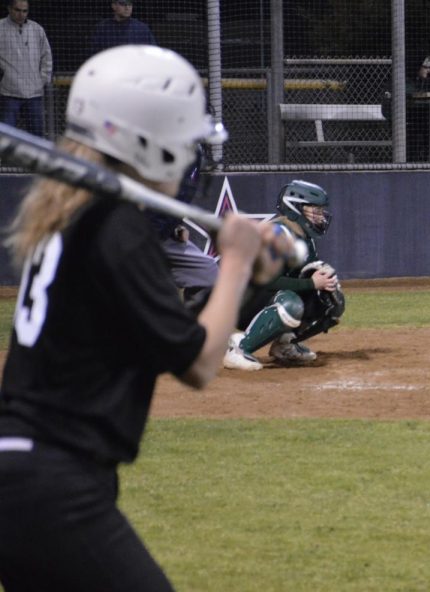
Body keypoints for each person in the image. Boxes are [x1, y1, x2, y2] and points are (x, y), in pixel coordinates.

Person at [0, 45, 292, 591]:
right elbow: (201, 364)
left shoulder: (75, 218)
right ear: (146, 142)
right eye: (183, 139)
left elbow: (154, 339)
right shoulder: (118, 230)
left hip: (30, 474)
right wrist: (233, 258)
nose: (189, 156)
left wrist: (244, 269)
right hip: (52, 482)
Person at [224, 179, 345, 371]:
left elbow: (302, 277)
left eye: (321, 211)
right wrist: (312, 284)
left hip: (265, 297)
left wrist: (320, 279)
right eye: (315, 210)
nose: (320, 217)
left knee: (329, 300)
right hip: (242, 302)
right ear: (295, 208)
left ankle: (284, 344)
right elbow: (268, 281)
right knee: (290, 303)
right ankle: (239, 349)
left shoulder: (305, 238)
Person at [146, 145, 220, 316]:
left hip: (165, 238)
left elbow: (178, 198)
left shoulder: (195, 151)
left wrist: (177, 224)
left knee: (209, 275)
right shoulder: (156, 143)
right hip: (135, 235)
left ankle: (191, 332)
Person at [0, 0, 52, 138]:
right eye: (17, 10)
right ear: (9, 9)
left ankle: (36, 160)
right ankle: (3, 159)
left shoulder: (37, 29)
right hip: (9, 92)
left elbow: (46, 56)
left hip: (34, 93)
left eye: (24, 11)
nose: (21, 14)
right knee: (6, 135)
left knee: (36, 135)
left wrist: (42, 81)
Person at [381, 54, 430, 162]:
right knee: (415, 139)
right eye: (425, 67)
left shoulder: (423, 82)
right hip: (404, 125)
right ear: (415, 66)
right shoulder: (400, 83)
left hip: (421, 124)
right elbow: (387, 110)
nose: (429, 71)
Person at [91, 0, 157, 55]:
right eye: (123, 4)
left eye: (130, 4)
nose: (127, 7)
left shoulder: (142, 28)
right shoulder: (103, 28)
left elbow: (153, 52)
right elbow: (94, 53)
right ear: (114, 6)